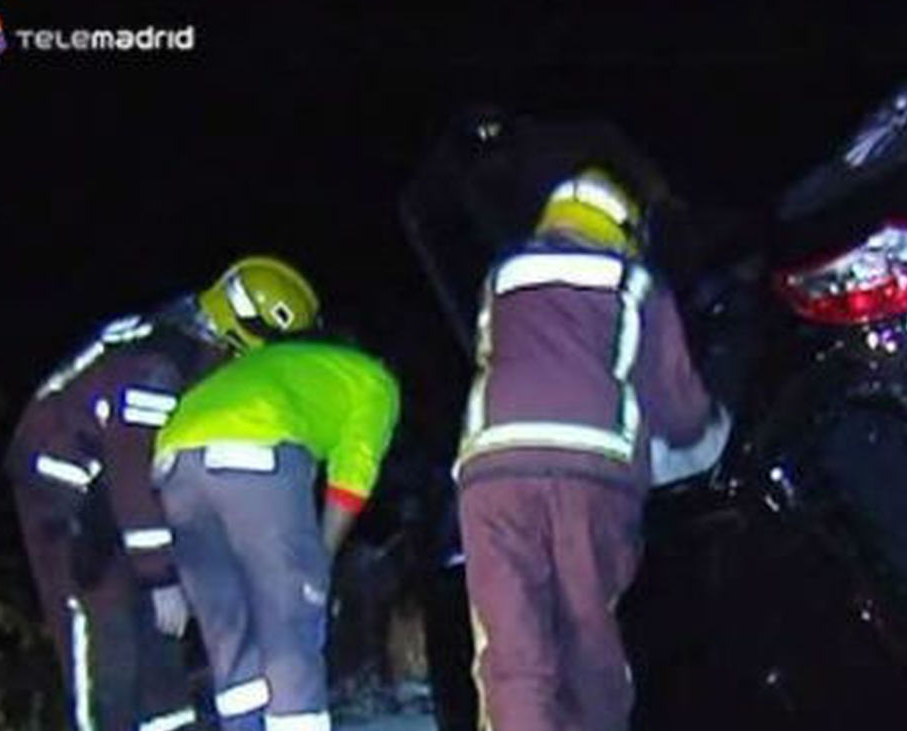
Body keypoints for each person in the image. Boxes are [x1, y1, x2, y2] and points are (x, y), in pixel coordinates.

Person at [455, 164, 730, 731]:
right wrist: (718, 437)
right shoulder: (635, 283)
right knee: (587, 648)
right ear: (624, 228)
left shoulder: (503, 277)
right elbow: (680, 412)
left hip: (495, 473)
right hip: (591, 476)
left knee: (512, 656)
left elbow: (494, 355)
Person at [4, 256, 321, 731]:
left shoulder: (190, 346)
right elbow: (130, 472)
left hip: (111, 495)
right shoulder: (157, 365)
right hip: (67, 500)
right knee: (106, 641)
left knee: (158, 653)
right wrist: (160, 577)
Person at [151, 338, 400, 731]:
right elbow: (353, 475)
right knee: (291, 628)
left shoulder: (270, 367)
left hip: (172, 463)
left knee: (229, 635)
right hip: (256, 449)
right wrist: (321, 557)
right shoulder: (376, 382)